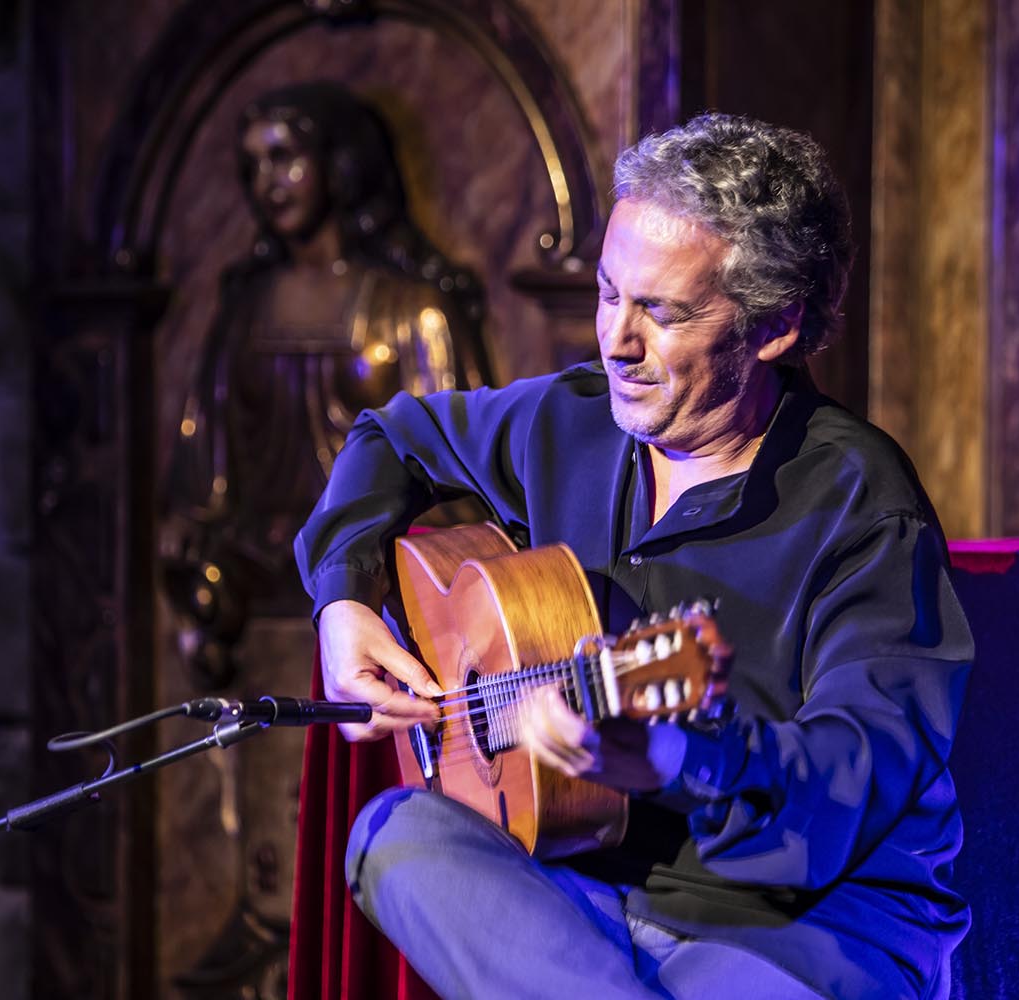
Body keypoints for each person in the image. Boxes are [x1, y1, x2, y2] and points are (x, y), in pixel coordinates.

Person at [295, 113, 973, 1000]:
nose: (615, 341)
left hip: (804, 919)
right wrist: (343, 602)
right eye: (610, 294)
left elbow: (849, 780)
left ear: (773, 326)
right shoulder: (569, 422)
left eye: (661, 312)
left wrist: (680, 760)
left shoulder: (863, 507)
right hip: (587, 880)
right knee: (396, 835)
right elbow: (393, 437)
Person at [162, 81, 491, 681]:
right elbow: (207, 457)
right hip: (268, 552)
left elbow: (457, 460)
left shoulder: (414, 308)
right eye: (253, 165)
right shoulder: (244, 310)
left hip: (385, 548)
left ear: (338, 165)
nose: (268, 181)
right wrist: (193, 517)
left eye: (284, 157)